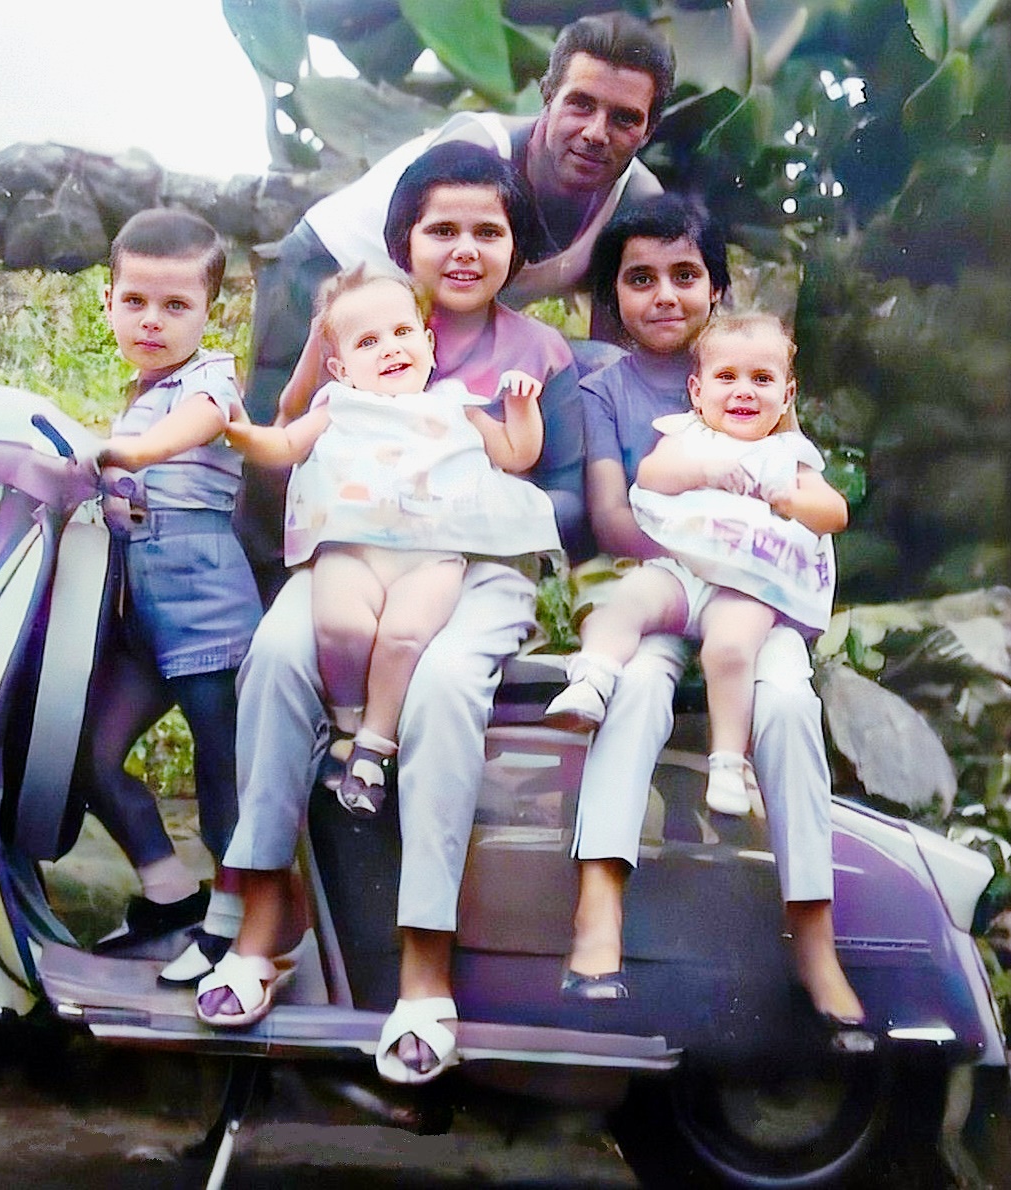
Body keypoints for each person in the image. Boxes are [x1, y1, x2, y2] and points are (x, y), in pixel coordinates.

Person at [194, 142, 582, 1085]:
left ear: (515, 246)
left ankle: (424, 968)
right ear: (402, 242)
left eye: (486, 231)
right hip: (356, 557)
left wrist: (465, 483)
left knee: (445, 685)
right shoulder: (362, 326)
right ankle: (262, 922)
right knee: (280, 651)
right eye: (438, 229)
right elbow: (286, 434)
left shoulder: (537, 353)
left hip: (473, 567)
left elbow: (555, 489)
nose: (462, 249)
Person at [560, 195, 868, 1045]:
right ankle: (599, 915)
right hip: (658, 581)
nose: (663, 295)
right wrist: (697, 568)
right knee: (631, 690)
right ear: (612, 294)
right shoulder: (603, 389)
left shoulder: (758, 379)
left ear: (716, 288)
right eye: (639, 278)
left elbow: (803, 505)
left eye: (684, 276)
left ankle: (813, 936)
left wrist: (753, 574)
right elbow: (614, 513)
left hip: (752, 600)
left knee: (785, 703)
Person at [238, 12, 675, 597]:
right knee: (286, 445)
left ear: (648, 130)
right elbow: (419, 293)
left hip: (430, 309)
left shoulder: (636, 199)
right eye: (580, 104)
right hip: (332, 274)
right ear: (547, 96)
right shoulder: (479, 154)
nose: (597, 131)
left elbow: (620, 370)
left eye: (625, 118)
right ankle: (268, 605)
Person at [227, 267, 560, 817]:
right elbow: (285, 444)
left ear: (428, 343)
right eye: (368, 342)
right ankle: (347, 719)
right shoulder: (338, 404)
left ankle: (370, 749)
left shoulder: (453, 403)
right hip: (353, 549)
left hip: (430, 555)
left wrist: (521, 408)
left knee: (405, 634)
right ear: (341, 367)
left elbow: (515, 454)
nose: (390, 349)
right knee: (342, 626)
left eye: (403, 333)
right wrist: (242, 432)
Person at [545, 310, 846, 822]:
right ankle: (592, 677)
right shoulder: (687, 436)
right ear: (697, 389)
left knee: (731, 649)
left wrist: (791, 501)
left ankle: (729, 760)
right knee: (627, 600)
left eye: (762, 379)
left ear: (787, 396)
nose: (744, 392)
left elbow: (833, 513)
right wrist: (703, 469)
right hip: (681, 569)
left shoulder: (788, 455)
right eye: (726, 378)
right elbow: (653, 474)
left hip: (746, 586)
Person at [72, 208, 261, 987]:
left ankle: (231, 925)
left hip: (208, 609)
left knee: (223, 777)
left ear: (208, 313)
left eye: (176, 305)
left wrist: (130, 451)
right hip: (141, 620)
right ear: (108, 302)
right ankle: (166, 888)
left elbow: (204, 422)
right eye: (135, 302)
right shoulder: (136, 397)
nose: (152, 321)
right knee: (86, 754)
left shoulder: (205, 379)